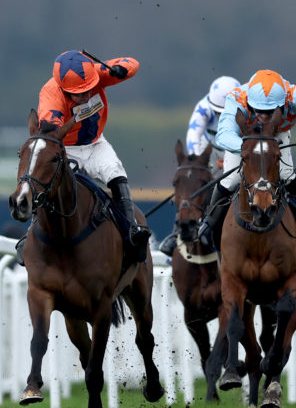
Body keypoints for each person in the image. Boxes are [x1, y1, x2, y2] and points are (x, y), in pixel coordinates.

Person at [19, 50, 151, 263]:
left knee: (116, 171)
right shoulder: (50, 93)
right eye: (78, 93)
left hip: (96, 144)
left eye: (89, 89)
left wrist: (120, 70)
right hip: (66, 148)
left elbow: (133, 63)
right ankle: (31, 234)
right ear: (63, 89)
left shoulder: (97, 73)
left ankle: (131, 230)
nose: (86, 95)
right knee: (50, 185)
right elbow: (50, 131)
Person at [197, 69, 296, 250]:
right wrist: (250, 151)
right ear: (249, 102)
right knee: (232, 179)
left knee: (286, 174)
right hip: (243, 138)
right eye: (258, 110)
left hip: (276, 134)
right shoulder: (236, 98)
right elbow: (223, 136)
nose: (263, 117)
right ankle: (209, 223)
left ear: (284, 103)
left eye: (270, 112)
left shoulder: (293, 95)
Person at [159, 76, 240, 256]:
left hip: (235, 148)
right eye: (217, 111)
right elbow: (193, 137)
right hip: (208, 148)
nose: (220, 115)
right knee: (192, 181)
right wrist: (198, 163)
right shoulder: (202, 108)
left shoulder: (247, 109)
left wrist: (229, 161)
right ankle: (176, 233)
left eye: (224, 111)